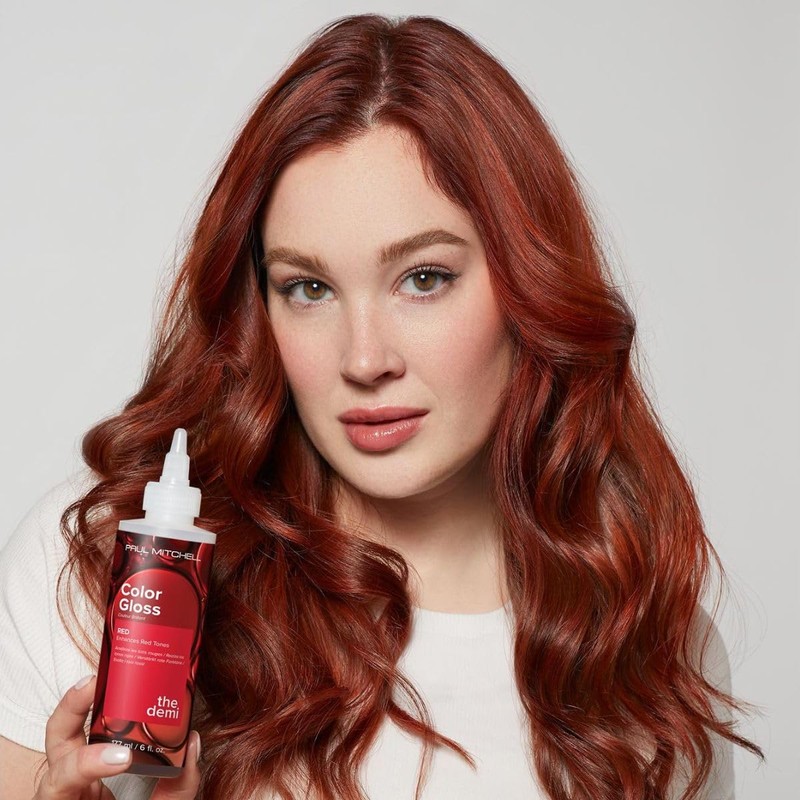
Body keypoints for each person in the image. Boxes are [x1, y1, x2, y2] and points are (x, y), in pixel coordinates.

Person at [0, 13, 764, 800]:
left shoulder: (646, 651)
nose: (364, 360)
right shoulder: (123, 578)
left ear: (528, 286)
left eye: (424, 279)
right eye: (309, 288)